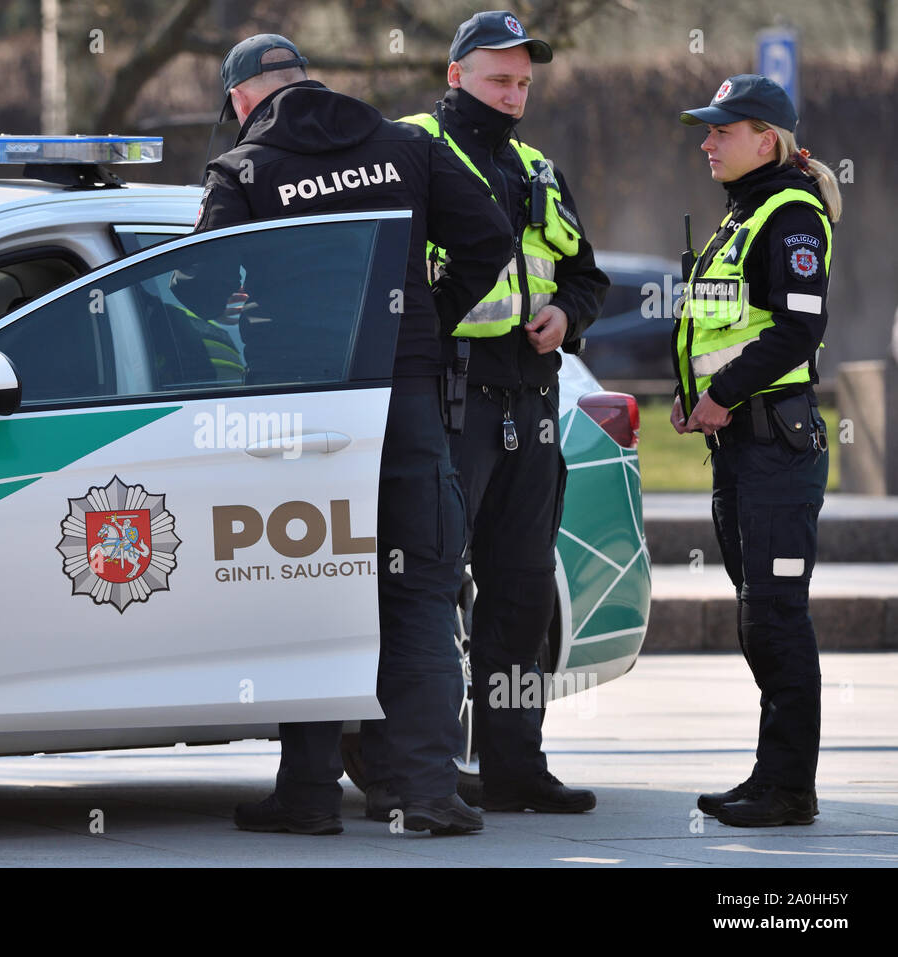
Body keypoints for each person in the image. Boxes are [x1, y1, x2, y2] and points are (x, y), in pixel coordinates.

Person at [176, 34, 513, 835]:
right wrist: (428, 315)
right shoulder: (404, 146)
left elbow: (196, 281)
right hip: (404, 395)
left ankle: (309, 794)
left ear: (240, 101)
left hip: (305, 410)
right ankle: (426, 793)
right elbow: (491, 238)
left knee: (310, 593)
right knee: (422, 595)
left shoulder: (245, 171)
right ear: (307, 80)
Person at [373, 10, 606, 815]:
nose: (514, 96)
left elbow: (587, 275)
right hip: (450, 400)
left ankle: (515, 764)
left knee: (520, 593)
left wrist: (568, 318)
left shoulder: (539, 167)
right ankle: (403, 771)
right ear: (455, 76)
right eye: (499, 80)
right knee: (423, 592)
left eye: (523, 84)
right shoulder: (411, 149)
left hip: (532, 402)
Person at [674, 74, 840, 827]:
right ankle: (772, 776)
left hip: (776, 443)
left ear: (765, 138)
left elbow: (797, 329)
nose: (707, 142)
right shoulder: (741, 216)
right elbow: (722, 328)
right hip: (742, 444)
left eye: (722, 130)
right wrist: (694, 393)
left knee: (775, 615)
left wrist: (724, 392)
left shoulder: (791, 213)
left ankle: (788, 789)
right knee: (757, 616)